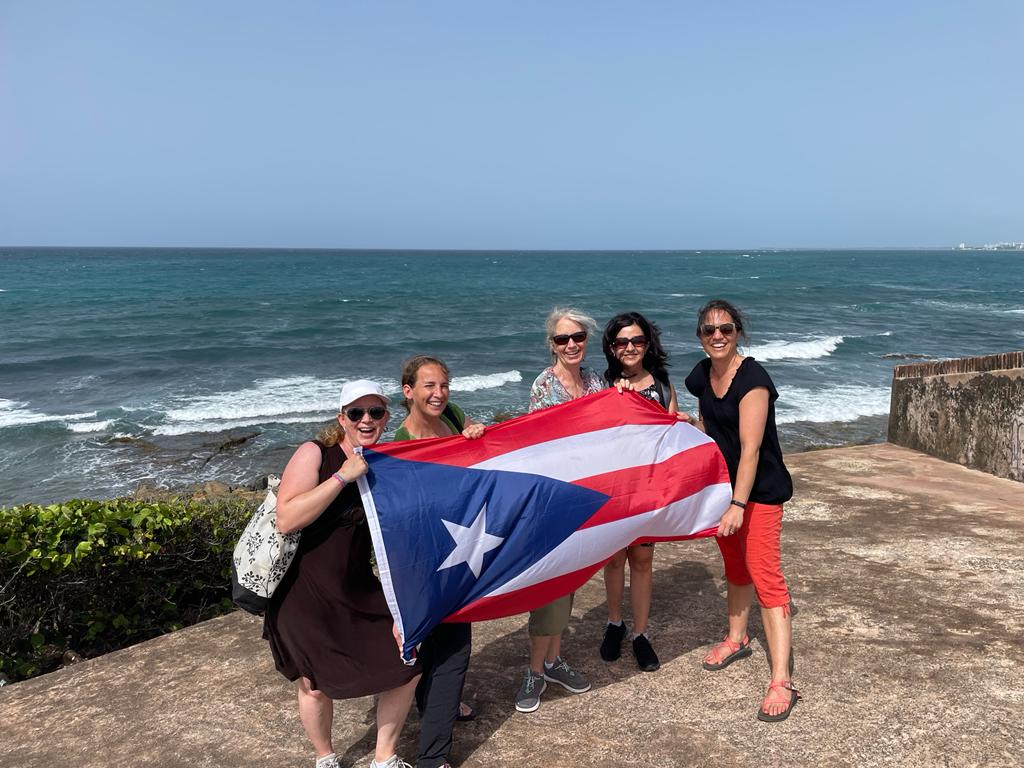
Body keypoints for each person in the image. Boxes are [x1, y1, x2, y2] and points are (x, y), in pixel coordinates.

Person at [265, 380, 419, 768]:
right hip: (303, 592)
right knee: (314, 685)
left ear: (386, 417)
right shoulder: (316, 453)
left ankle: (383, 758)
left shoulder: (383, 461)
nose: (366, 420)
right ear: (342, 419)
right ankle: (325, 757)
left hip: (357, 587)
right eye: (356, 413)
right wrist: (342, 477)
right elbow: (287, 519)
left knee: (408, 663)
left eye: (376, 412)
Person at [680, 299, 799, 722]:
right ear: (700, 335)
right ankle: (737, 638)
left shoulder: (753, 380)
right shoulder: (701, 374)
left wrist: (737, 504)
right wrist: (677, 425)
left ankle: (782, 678)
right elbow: (710, 427)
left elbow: (749, 451)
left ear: (738, 333)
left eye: (726, 329)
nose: (717, 336)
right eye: (709, 330)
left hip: (759, 492)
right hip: (724, 491)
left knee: (765, 573)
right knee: (735, 566)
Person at [393, 355, 484, 768]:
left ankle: (438, 711)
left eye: (444, 384)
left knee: (444, 647)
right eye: (429, 386)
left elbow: (473, 454)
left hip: (461, 542)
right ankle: (433, 757)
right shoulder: (400, 443)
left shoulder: (452, 414)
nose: (439, 393)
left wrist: (475, 433)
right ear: (408, 391)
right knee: (450, 652)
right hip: (427, 555)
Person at [515, 307, 603, 714]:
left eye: (578, 337)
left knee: (568, 584)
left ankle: (553, 661)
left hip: (588, 498)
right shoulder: (543, 386)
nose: (571, 345)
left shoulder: (596, 380)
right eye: (562, 339)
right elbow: (538, 445)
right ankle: (535, 669)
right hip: (553, 500)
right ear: (551, 344)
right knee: (549, 586)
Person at [598, 311, 678, 672]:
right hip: (614, 489)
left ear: (648, 343)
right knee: (614, 559)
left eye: (637, 340)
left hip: (648, 488)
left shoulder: (662, 384)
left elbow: (673, 436)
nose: (630, 348)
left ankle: (641, 634)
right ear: (612, 348)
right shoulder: (601, 385)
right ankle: (615, 623)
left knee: (642, 561)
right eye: (621, 342)